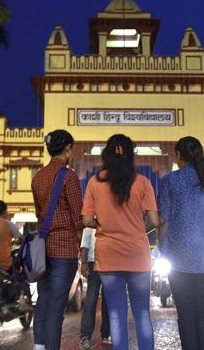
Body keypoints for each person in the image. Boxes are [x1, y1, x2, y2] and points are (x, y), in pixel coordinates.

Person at [82, 134, 158, 350]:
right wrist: (135, 230)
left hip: (109, 255)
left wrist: (103, 225)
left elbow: (86, 219)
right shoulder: (142, 182)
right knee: (142, 312)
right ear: (130, 156)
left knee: (116, 313)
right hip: (138, 254)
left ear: (107, 155)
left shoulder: (95, 183)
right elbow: (153, 220)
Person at [157, 136, 204, 350]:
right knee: (201, 308)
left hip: (179, 254)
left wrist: (161, 246)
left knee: (185, 311)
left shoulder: (170, 180)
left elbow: (163, 218)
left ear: (177, 155)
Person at [32, 129, 84, 350]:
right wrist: (81, 244)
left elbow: (38, 214)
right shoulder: (69, 176)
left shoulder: (38, 177)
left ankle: (39, 347)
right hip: (64, 250)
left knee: (43, 302)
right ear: (67, 149)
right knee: (56, 308)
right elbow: (78, 216)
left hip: (43, 249)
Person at [79, 227, 111, 349]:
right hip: (93, 263)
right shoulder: (89, 221)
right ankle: (85, 336)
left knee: (108, 300)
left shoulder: (110, 217)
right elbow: (84, 245)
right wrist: (84, 263)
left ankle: (106, 334)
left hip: (110, 263)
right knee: (90, 301)